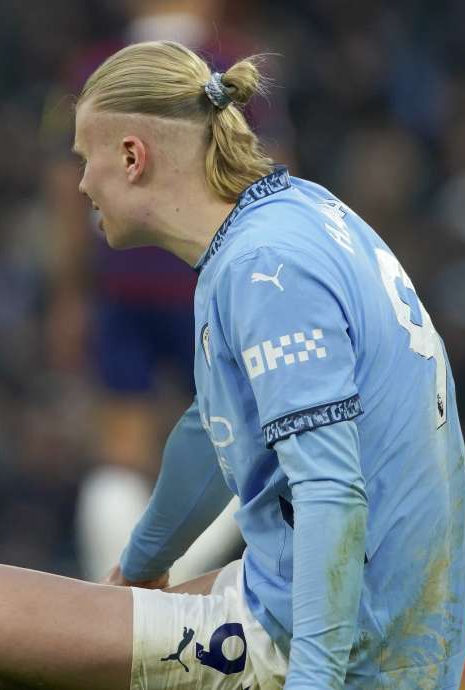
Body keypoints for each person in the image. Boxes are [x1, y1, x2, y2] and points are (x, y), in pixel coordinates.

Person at [0, 40, 465, 690]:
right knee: (65, 638)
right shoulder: (293, 218)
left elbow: (332, 495)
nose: (79, 185)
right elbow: (213, 434)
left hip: (344, 638)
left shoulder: (264, 272)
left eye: (84, 159)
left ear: (132, 156)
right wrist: (141, 565)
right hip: (383, 608)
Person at [40, 0, 292, 583]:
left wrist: (70, 294)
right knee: (236, 447)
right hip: (214, 279)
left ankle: (118, 601)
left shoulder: (92, 68)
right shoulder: (232, 67)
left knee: (120, 449)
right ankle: (159, 591)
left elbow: (62, 190)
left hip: (121, 281)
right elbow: (276, 175)